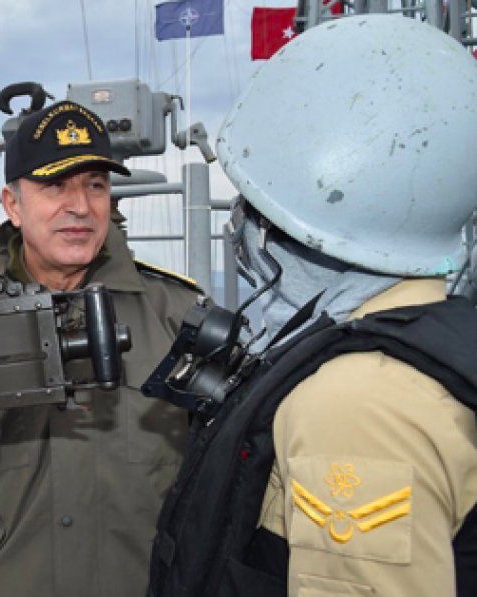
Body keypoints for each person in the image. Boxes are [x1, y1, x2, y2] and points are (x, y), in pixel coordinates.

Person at [146, 15, 477, 597]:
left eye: (253, 203)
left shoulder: (355, 403)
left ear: (282, 228)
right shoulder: (440, 338)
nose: (238, 223)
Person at [0, 99, 203, 596]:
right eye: (55, 185)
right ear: (13, 205)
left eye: (95, 185)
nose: (80, 206)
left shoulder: (179, 318)